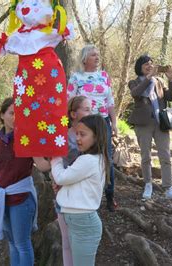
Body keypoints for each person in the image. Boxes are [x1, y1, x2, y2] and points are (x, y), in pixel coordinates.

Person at [0, 97, 51, 266]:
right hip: (3, 198)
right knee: (12, 244)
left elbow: (42, 165)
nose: (15, 117)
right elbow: (2, 168)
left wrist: (59, 156)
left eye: (19, 114)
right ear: (2, 115)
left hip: (21, 198)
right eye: (11, 113)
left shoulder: (26, 138)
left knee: (22, 244)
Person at [51, 114, 110, 266]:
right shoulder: (91, 159)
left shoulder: (88, 160)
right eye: (76, 133)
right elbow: (72, 182)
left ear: (96, 137)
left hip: (84, 224)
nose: (78, 138)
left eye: (82, 134)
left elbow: (61, 177)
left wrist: (55, 157)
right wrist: (63, 189)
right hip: (77, 221)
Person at [128, 54, 172, 203]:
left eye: (151, 64)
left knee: (165, 155)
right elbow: (136, 93)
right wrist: (149, 78)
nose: (149, 66)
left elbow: (169, 97)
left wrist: (171, 79)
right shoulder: (134, 82)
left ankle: (168, 188)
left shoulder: (159, 81)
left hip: (160, 122)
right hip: (143, 124)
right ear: (139, 67)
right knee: (146, 156)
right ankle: (148, 184)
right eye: (146, 64)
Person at [67, 44, 118, 212]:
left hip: (103, 122)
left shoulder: (104, 76)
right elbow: (69, 102)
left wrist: (114, 123)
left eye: (98, 55)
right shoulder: (76, 77)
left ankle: (109, 196)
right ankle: (84, 195)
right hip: (85, 123)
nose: (97, 57)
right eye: (93, 55)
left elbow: (110, 102)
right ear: (84, 59)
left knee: (106, 158)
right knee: (83, 156)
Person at [53, 95, 93, 266]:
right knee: (66, 241)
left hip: (82, 198)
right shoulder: (62, 137)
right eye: (86, 109)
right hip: (62, 193)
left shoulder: (93, 137)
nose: (90, 112)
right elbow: (56, 164)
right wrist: (56, 181)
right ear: (73, 114)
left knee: (81, 243)